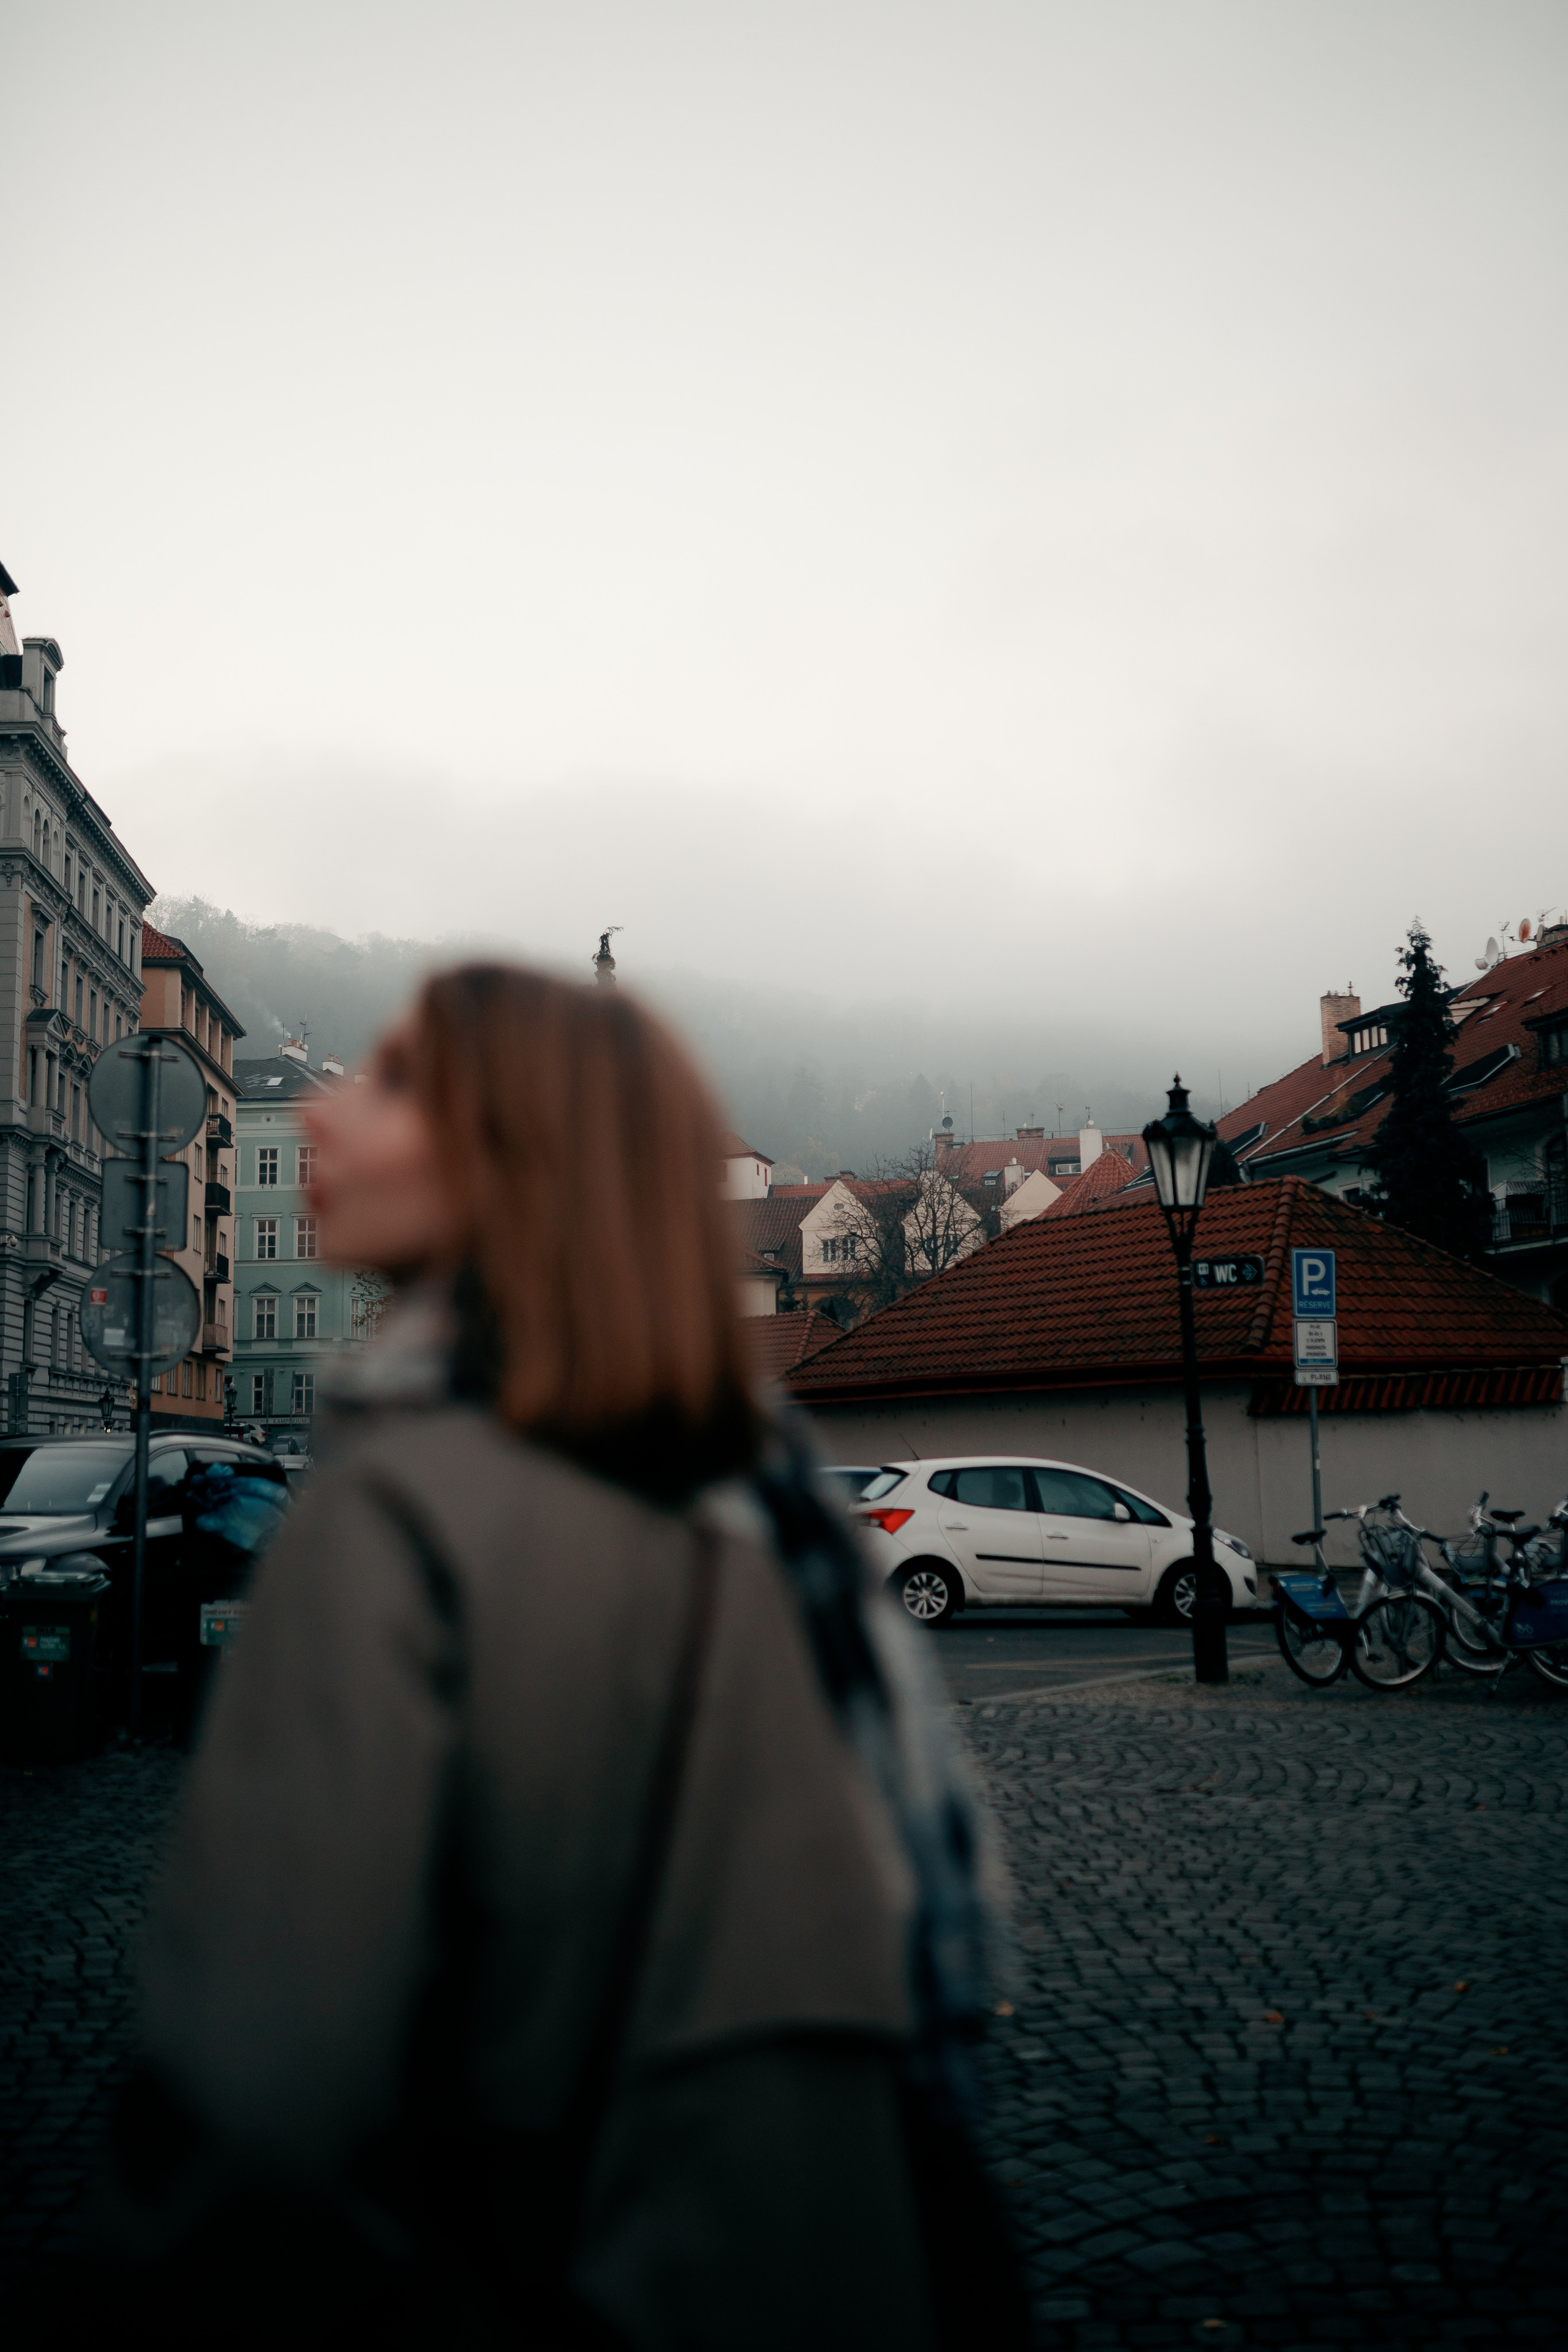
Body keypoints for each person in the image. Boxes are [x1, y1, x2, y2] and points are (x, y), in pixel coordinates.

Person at [104, 965, 1024, 2350]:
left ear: (514, 1154)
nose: (335, 1120)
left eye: (402, 1086)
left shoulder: (401, 1501)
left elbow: (261, 2089)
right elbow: (910, 1936)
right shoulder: (751, 1504)